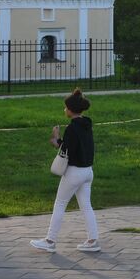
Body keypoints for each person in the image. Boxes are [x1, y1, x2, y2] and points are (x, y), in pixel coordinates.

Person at [30, 89, 101, 254]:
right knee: (86, 206)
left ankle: (50, 240)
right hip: (88, 171)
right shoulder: (86, 125)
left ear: (70, 109)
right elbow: (77, 146)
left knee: (60, 204)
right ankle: (93, 240)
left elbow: (66, 150)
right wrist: (60, 140)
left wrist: (56, 140)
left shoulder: (72, 128)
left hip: (74, 172)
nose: (64, 110)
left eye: (65, 108)